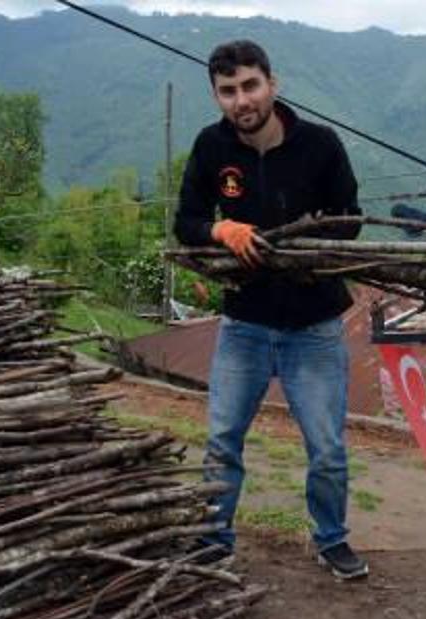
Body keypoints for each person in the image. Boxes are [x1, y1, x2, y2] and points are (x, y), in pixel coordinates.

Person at [173, 39, 368, 579]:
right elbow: (185, 220)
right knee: (221, 439)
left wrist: (309, 242)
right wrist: (220, 227)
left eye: (250, 86)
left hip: (315, 325)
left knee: (326, 448)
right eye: (228, 91)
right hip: (245, 324)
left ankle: (331, 540)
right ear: (217, 96)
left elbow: (351, 218)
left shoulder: (320, 145)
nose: (242, 100)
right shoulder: (211, 149)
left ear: (272, 84)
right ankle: (215, 539)